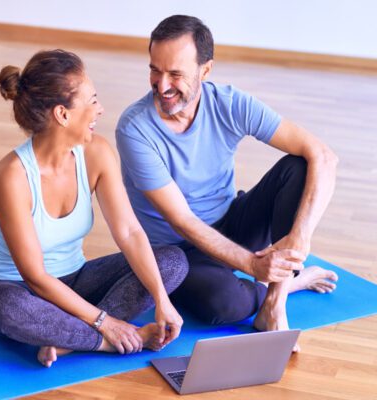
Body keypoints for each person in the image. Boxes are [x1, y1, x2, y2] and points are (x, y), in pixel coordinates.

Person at [115, 15, 339, 350]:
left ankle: (274, 305)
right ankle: (292, 282)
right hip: (178, 251)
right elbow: (183, 221)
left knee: (299, 166)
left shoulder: (230, 103)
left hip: (232, 222)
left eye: (175, 74)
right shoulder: (134, 129)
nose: (162, 85)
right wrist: (253, 265)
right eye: (154, 70)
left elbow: (323, 156)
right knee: (224, 305)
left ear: (205, 71)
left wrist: (300, 238)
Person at [0, 49, 189, 368]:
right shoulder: (13, 176)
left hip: (77, 280)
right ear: (62, 114)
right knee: (2, 306)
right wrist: (105, 323)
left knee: (172, 262)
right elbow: (34, 277)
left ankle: (66, 342)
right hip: (21, 290)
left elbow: (130, 232)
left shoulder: (97, 153)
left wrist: (162, 299)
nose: (100, 109)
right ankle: (102, 342)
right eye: (91, 101)